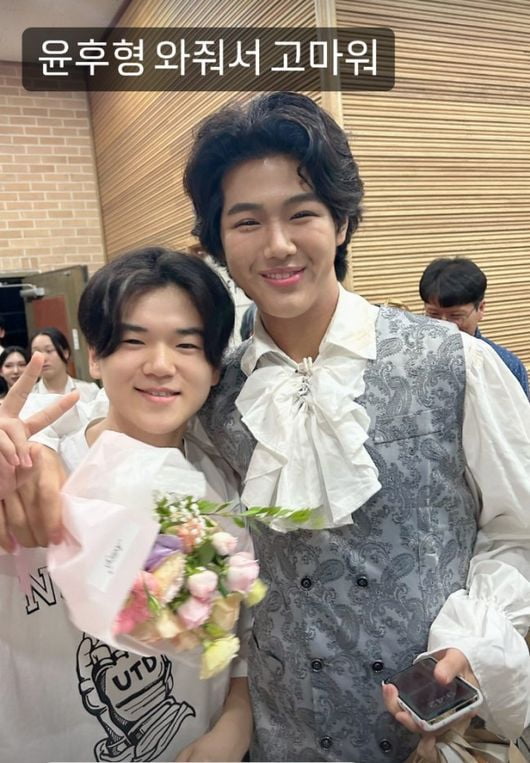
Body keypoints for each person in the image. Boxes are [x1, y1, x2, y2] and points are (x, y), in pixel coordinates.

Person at [1, 93, 530, 762]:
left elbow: (517, 531)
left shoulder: (456, 363)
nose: (278, 245)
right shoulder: (211, 383)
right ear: (218, 241)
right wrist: (39, 458)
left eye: (302, 213)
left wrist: (477, 640)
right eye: (246, 221)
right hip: (273, 740)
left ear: (341, 223)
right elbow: (125, 455)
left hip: (427, 736)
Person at [0, 248, 252, 763]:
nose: (160, 366)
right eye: (133, 341)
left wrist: (235, 723)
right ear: (95, 356)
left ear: (214, 366)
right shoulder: (34, 474)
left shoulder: (225, 488)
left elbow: (243, 638)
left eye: (187, 344)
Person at [420, 257, 529, 397]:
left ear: (481, 309)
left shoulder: (506, 366)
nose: (444, 325)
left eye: (455, 316)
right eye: (433, 314)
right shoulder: (409, 359)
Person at [30, 326, 99, 402]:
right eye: (36, 353)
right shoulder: (29, 396)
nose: (43, 358)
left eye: (49, 350)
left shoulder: (90, 391)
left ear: (65, 353)